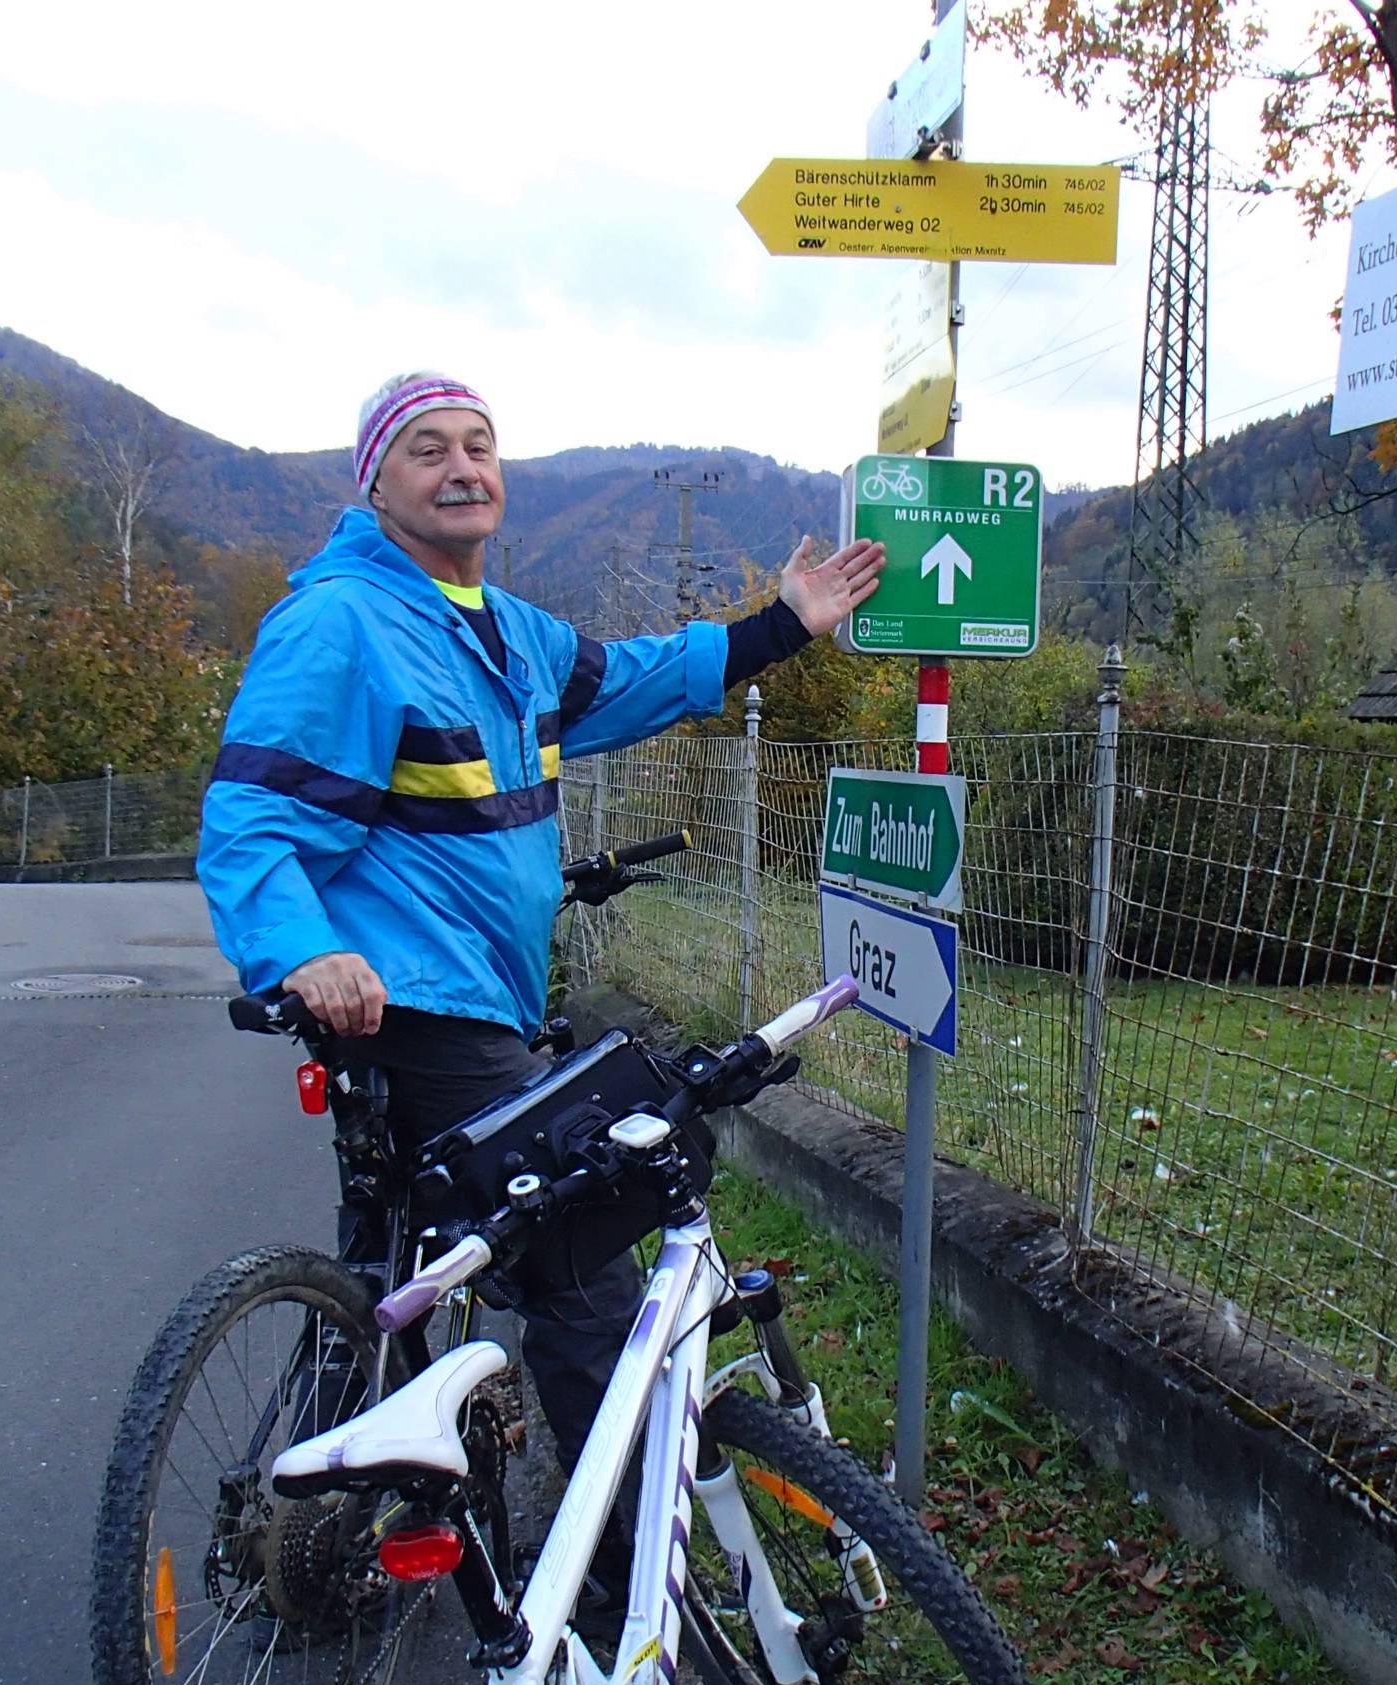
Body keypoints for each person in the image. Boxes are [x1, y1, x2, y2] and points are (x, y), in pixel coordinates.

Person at [197, 369, 884, 1521]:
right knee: (580, 1266)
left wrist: (781, 625)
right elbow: (254, 819)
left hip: (488, 992)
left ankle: (332, 1494)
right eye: (429, 450)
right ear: (376, 480)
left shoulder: (508, 633)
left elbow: (631, 682)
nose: (463, 467)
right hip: (420, 1001)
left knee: (406, 1266)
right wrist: (299, 949)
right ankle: (617, 1599)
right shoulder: (343, 622)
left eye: (480, 445)